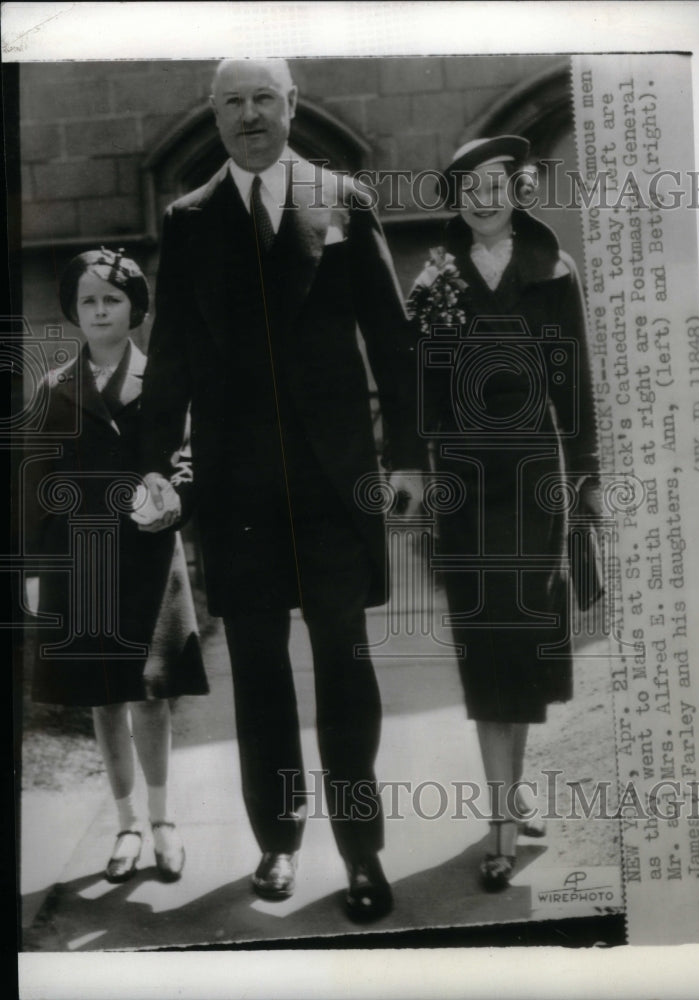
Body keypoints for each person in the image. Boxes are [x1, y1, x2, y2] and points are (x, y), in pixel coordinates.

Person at [138, 58, 425, 922]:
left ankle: (363, 855)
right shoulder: (189, 221)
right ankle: (278, 842)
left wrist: (406, 458)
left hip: (334, 485)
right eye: (233, 102)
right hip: (238, 493)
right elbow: (175, 354)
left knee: (345, 666)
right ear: (214, 115)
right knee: (259, 673)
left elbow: (391, 334)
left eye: (265, 97)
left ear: (293, 106)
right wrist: (158, 463)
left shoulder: (344, 200)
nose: (251, 114)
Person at [407, 136, 601, 890]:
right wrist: (420, 474)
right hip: (461, 482)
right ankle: (502, 815)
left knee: (521, 637)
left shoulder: (554, 271)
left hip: (531, 480)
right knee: (484, 640)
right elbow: (417, 391)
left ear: (516, 189)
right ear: (456, 198)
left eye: (497, 184)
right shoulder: (434, 279)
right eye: (469, 187)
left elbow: (574, 382)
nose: (483, 198)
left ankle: (506, 800)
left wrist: (585, 478)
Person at [27, 248, 209, 884]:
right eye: (87, 300)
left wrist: (174, 500)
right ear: (73, 312)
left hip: (149, 558)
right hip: (85, 564)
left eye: (112, 298)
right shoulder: (54, 390)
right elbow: (38, 482)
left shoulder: (161, 378)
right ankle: (127, 822)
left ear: (135, 307)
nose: (100, 309)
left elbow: (185, 458)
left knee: (151, 695)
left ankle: (163, 821)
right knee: (104, 698)